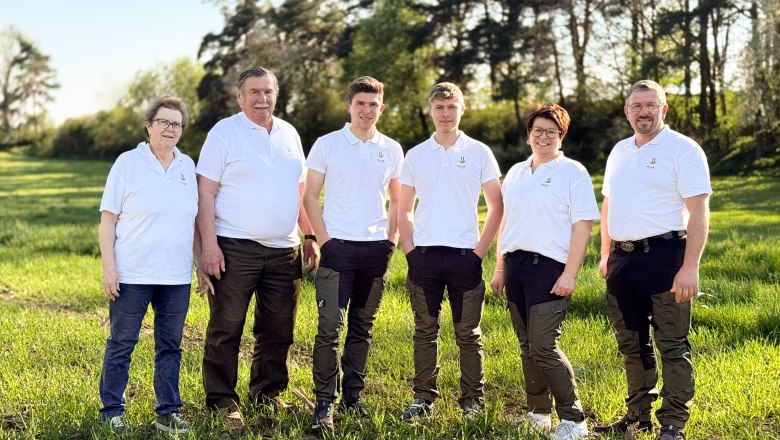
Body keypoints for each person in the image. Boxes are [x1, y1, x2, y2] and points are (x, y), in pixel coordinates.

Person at [195, 66, 316, 431]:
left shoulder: (289, 134)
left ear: (276, 95)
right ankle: (221, 401)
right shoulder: (224, 133)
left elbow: (297, 191)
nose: (261, 99)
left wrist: (308, 235)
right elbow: (205, 192)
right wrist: (210, 247)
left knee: (279, 328)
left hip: (285, 250)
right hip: (234, 247)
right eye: (254, 92)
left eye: (267, 92)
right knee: (226, 326)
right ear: (239, 96)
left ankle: (267, 395)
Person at [595, 80, 711, 440]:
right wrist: (604, 254)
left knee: (672, 345)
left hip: (665, 259)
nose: (643, 111)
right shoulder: (618, 151)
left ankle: (673, 423)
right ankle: (637, 417)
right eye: (636, 105)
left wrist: (690, 267)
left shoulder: (683, 150)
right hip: (622, 261)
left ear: (664, 109)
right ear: (627, 111)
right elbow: (609, 204)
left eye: (651, 105)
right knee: (631, 343)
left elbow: (699, 209)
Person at [489, 103, 599, 440]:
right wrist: (499, 268)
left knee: (543, 346)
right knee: (526, 346)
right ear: (528, 135)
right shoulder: (518, 172)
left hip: (549, 268)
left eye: (551, 131)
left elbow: (583, 227)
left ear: (561, 136)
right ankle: (538, 414)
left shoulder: (573, 172)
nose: (544, 136)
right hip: (516, 266)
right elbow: (507, 222)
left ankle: (574, 420)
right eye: (538, 130)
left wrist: (570, 274)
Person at [397, 82, 504, 422]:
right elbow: (403, 209)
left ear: (462, 109)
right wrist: (411, 251)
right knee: (425, 332)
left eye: (451, 107)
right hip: (424, 258)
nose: (445, 114)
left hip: (464, 259)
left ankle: (472, 400)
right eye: (439, 108)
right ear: (431, 110)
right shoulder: (415, 155)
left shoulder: (479, 153)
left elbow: (497, 207)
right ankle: (422, 398)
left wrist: (478, 253)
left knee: (468, 335)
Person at [302, 76, 404, 431]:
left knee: (362, 327)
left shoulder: (391, 149)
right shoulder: (327, 144)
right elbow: (310, 195)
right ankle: (324, 404)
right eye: (360, 103)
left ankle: (352, 399)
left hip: (376, 252)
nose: (366, 110)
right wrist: (324, 241)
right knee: (329, 327)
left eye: (373, 104)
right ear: (349, 106)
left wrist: (391, 240)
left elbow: (399, 200)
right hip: (338, 250)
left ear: (381, 108)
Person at [98, 96, 196, 435]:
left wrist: (201, 266)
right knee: (122, 344)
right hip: (132, 275)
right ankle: (111, 410)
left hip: (176, 276)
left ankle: (168, 412)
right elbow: (108, 220)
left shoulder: (188, 167)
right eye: (164, 122)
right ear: (149, 124)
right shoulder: (128, 163)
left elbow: (194, 222)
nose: (170, 129)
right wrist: (109, 268)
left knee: (170, 347)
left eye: (177, 124)